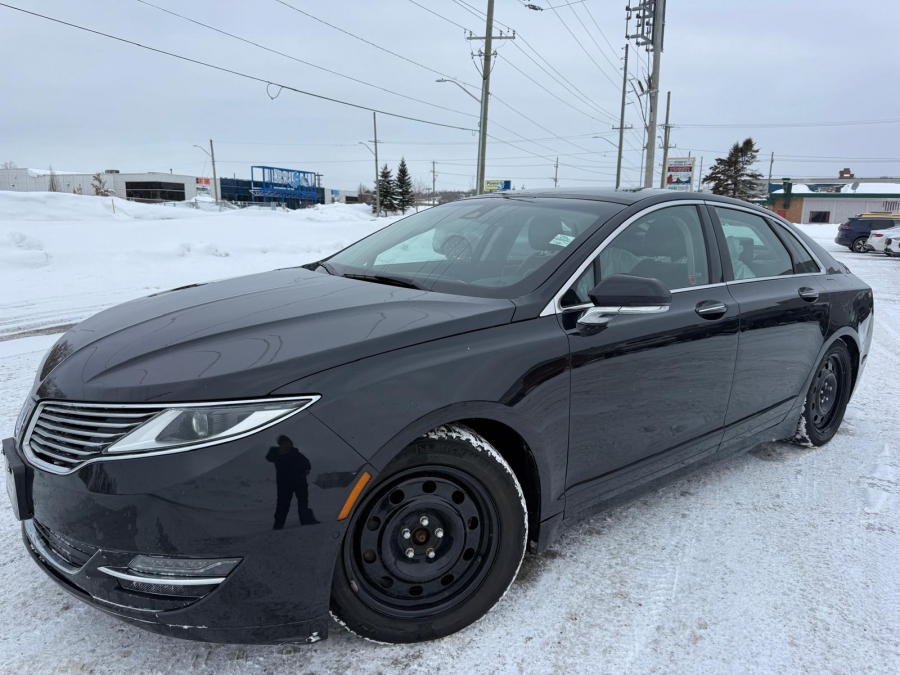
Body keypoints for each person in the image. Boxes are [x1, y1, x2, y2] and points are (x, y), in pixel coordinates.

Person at [266, 435, 318, 529]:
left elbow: (306, 462)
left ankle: (305, 520)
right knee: (283, 503)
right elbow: (269, 457)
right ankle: (278, 524)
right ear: (280, 444)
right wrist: (279, 453)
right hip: (285, 483)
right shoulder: (276, 451)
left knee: (303, 502)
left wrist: (307, 468)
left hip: (300, 481)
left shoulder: (296, 452)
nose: (286, 444)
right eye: (283, 443)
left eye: (287, 442)